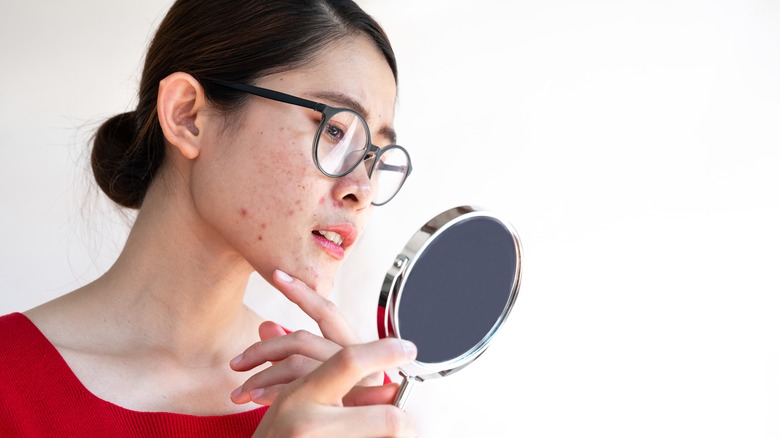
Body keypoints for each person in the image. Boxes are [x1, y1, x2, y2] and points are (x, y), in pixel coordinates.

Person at [0, 0, 418, 436]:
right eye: (335, 130)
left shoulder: (349, 403)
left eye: (375, 156)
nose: (363, 190)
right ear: (188, 116)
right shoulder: (9, 387)